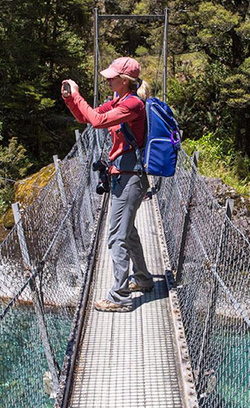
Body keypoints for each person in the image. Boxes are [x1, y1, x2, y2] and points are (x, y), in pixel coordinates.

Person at [62, 57, 154, 312]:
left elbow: (98, 122)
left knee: (116, 237)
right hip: (122, 176)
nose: (107, 80)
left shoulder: (133, 104)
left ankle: (119, 297)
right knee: (128, 232)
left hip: (130, 177)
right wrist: (70, 99)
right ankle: (143, 279)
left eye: (112, 77)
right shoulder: (119, 101)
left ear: (124, 80)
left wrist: (78, 94)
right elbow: (86, 117)